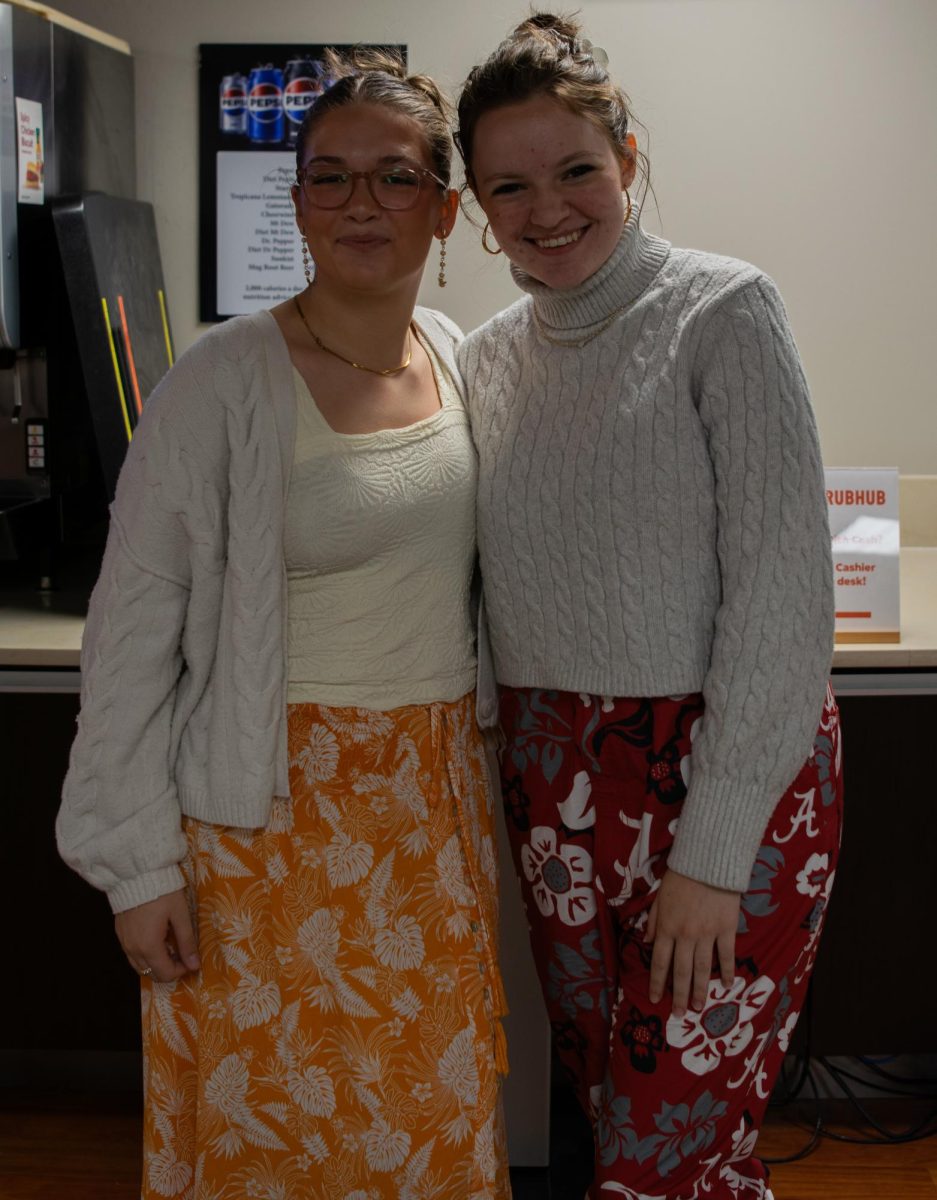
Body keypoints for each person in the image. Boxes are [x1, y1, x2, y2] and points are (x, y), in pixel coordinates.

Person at [57, 48, 511, 1200]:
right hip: (265, 829)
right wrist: (134, 865)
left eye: (396, 178)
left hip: (429, 814)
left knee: (426, 1123)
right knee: (276, 1140)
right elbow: (129, 634)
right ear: (297, 200)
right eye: (330, 177)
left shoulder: (459, 362)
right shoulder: (221, 382)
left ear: (446, 209)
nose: (362, 204)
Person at [455, 14, 842, 1199]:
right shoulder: (483, 357)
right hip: (551, 782)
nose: (546, 208)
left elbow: (784, 602)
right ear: (474, 205)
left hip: (723, 777)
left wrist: (712, 858)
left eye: (575, 169)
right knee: (611, 1115)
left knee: (663, 1151)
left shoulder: (723, 312)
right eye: (507, 186)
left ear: (627, 154)